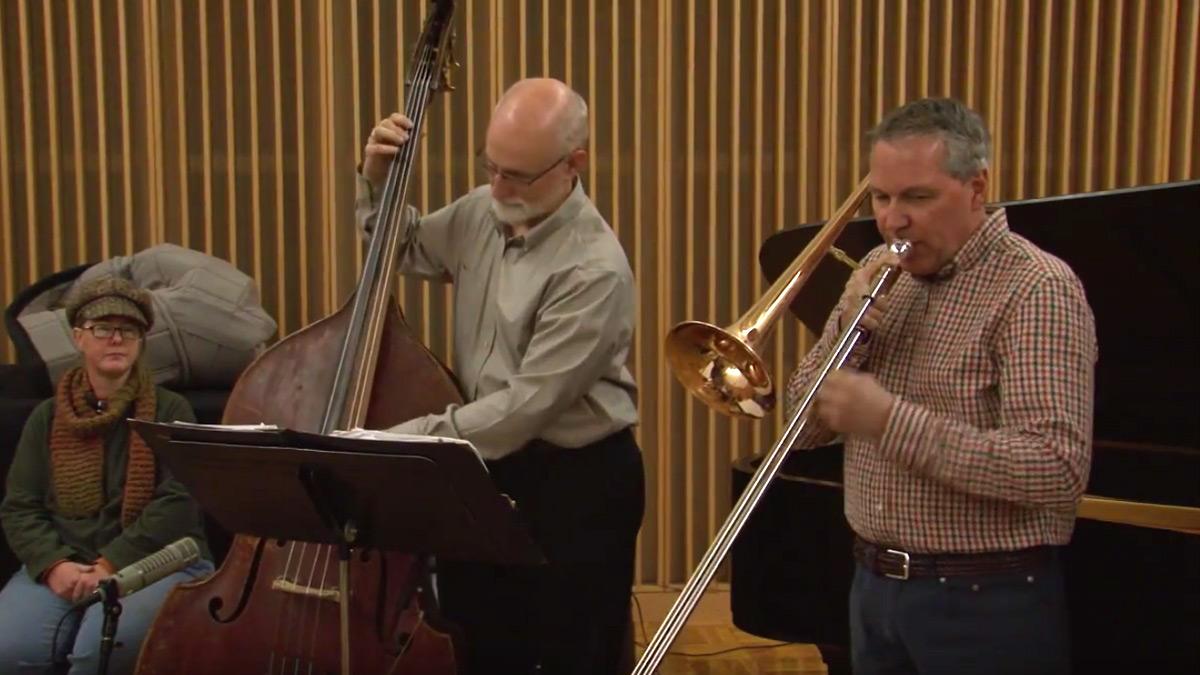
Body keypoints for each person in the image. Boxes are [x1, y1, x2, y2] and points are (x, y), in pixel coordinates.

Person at [787, 97, 1097, 675]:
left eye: (917, 197)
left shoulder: (1036, 288)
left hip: (986, 602)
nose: (892, 221)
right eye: (881, 197)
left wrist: (887, 421)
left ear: (977, 189)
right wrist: (844, 339)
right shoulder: (880, 270)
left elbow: (1055, 468)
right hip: (873, 588)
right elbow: (800, 432)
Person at [357, 78, 644, 675]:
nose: (497, 186)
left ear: (574, 165)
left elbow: (522, 408)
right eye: (491, 165)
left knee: (571, 655)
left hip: (577, 486)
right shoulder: (480, 211)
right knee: (480, 645)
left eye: (517, 175)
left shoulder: (594, 270)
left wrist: (399, 443)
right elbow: (402, 247)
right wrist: (377, 179)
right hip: (486, 466)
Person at [0, 276, 213, 675]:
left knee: (99, 655)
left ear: (140, 342)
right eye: (103, 329)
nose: (116, 339)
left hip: (156, 561)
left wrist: (110, 564)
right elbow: (20, 508)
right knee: (10, 652)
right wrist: (53, 564)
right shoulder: (45, 417)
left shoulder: (171, 409)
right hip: (65, 563)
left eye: (128, 330)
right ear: (79, 338)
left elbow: (179, 503)